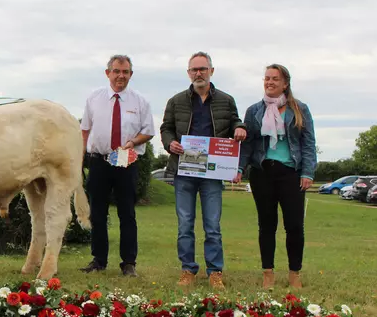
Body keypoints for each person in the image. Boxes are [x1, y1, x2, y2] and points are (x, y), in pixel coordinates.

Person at [160, 52, 247, 290]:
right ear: (188, 73)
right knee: (185, 223)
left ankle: (215, 271)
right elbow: (166, 129)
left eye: (203, 69)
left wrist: (240, 128)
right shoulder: (176, 101)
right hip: (184, 170)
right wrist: (170, 143)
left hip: (212, 172)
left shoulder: (226, 100)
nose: (198, 73)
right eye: (194, 69)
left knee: (212, 225)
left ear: (211, 71)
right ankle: (188, 269)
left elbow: (234, 121)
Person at [236, 64, 317, 289]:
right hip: (263, 173)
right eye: (266, 78)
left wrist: (308, 172)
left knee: (294, 225)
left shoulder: (299, 109)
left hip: (291, 173)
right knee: (266, 225)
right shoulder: (254, 111)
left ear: (285, 83)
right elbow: (249, 143)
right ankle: (268, 273)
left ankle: (294, 274)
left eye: (275, 79)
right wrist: (240, 168)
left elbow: (308, 143)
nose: (269, 82)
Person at [79, 55, 155, 276]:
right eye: (117, 71)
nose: (121, 76)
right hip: (98, 161)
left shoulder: (140, 101)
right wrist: (80, 157)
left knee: (127, 214)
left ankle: (129, 262)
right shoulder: (94, 98)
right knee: (98, 213)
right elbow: (85, 130)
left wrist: (132, 142)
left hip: (126, 162)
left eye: (126, 72)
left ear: (131, 74)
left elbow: (148, 131)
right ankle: (98, 260)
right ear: (108, 73)